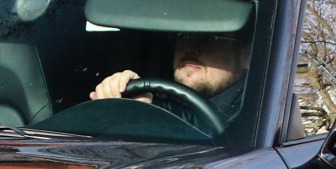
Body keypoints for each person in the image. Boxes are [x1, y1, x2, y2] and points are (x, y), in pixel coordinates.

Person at [90, 32, 248, 124]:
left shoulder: (262, 111)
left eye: (210, 39)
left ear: (246, 56)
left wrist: (156, 111)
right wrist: (123, 93)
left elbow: (228, 140)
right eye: (184, 37)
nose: (191, 48)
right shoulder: (162, 96)